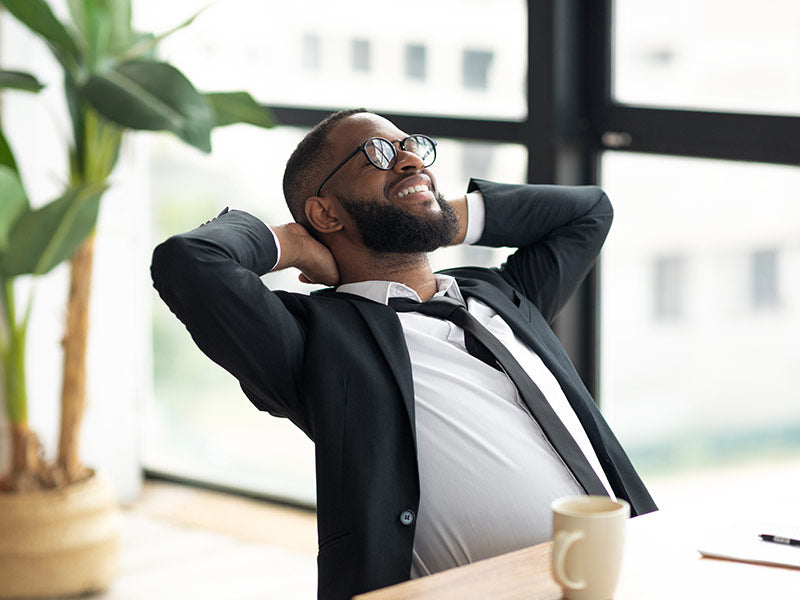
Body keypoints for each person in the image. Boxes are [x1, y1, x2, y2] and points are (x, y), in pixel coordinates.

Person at [151, 108, 657, 599]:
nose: (411, 159)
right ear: (326, 211)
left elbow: (589, 211)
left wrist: (433, 215)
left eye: (412, 148)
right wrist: (296, 245)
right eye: (377, 152)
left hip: (632, 569)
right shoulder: (313, 339)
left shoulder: (500, 293)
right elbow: (189, 262)